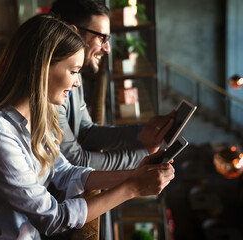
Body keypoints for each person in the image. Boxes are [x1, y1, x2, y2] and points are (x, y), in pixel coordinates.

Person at [0, 14, 175, 240]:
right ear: (43, 67)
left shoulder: (40, 115)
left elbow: (66, 173)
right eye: (73, 71)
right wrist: (133, 188)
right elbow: (53, 219)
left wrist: (133, 175)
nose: (77, 82)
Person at [50, 0, 174, 170]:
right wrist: (144, 155)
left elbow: (85, 131)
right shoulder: (51, 89)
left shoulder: (74, 74)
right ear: (74, 33)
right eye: (102, 38)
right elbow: (76, 161)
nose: (107, 49)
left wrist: (143, 133)